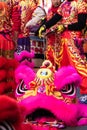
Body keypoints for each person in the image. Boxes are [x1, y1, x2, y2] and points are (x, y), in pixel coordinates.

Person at [38, 0, 87, 101]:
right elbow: (56, 18)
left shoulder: (81, 4)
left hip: (74, 41)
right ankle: (67, 93)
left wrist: (66, 26)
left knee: (79, 66)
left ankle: (85, 93)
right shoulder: (64, 4)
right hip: (62, 41)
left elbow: (81, 24)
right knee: (63, 67)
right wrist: (44, 26)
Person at [0, 0, 21, 97]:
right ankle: (8, 95)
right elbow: (16, 22)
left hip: (5, 37)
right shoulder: (12, 2)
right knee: (8, 68)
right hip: (6, 39)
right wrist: (15, 40)